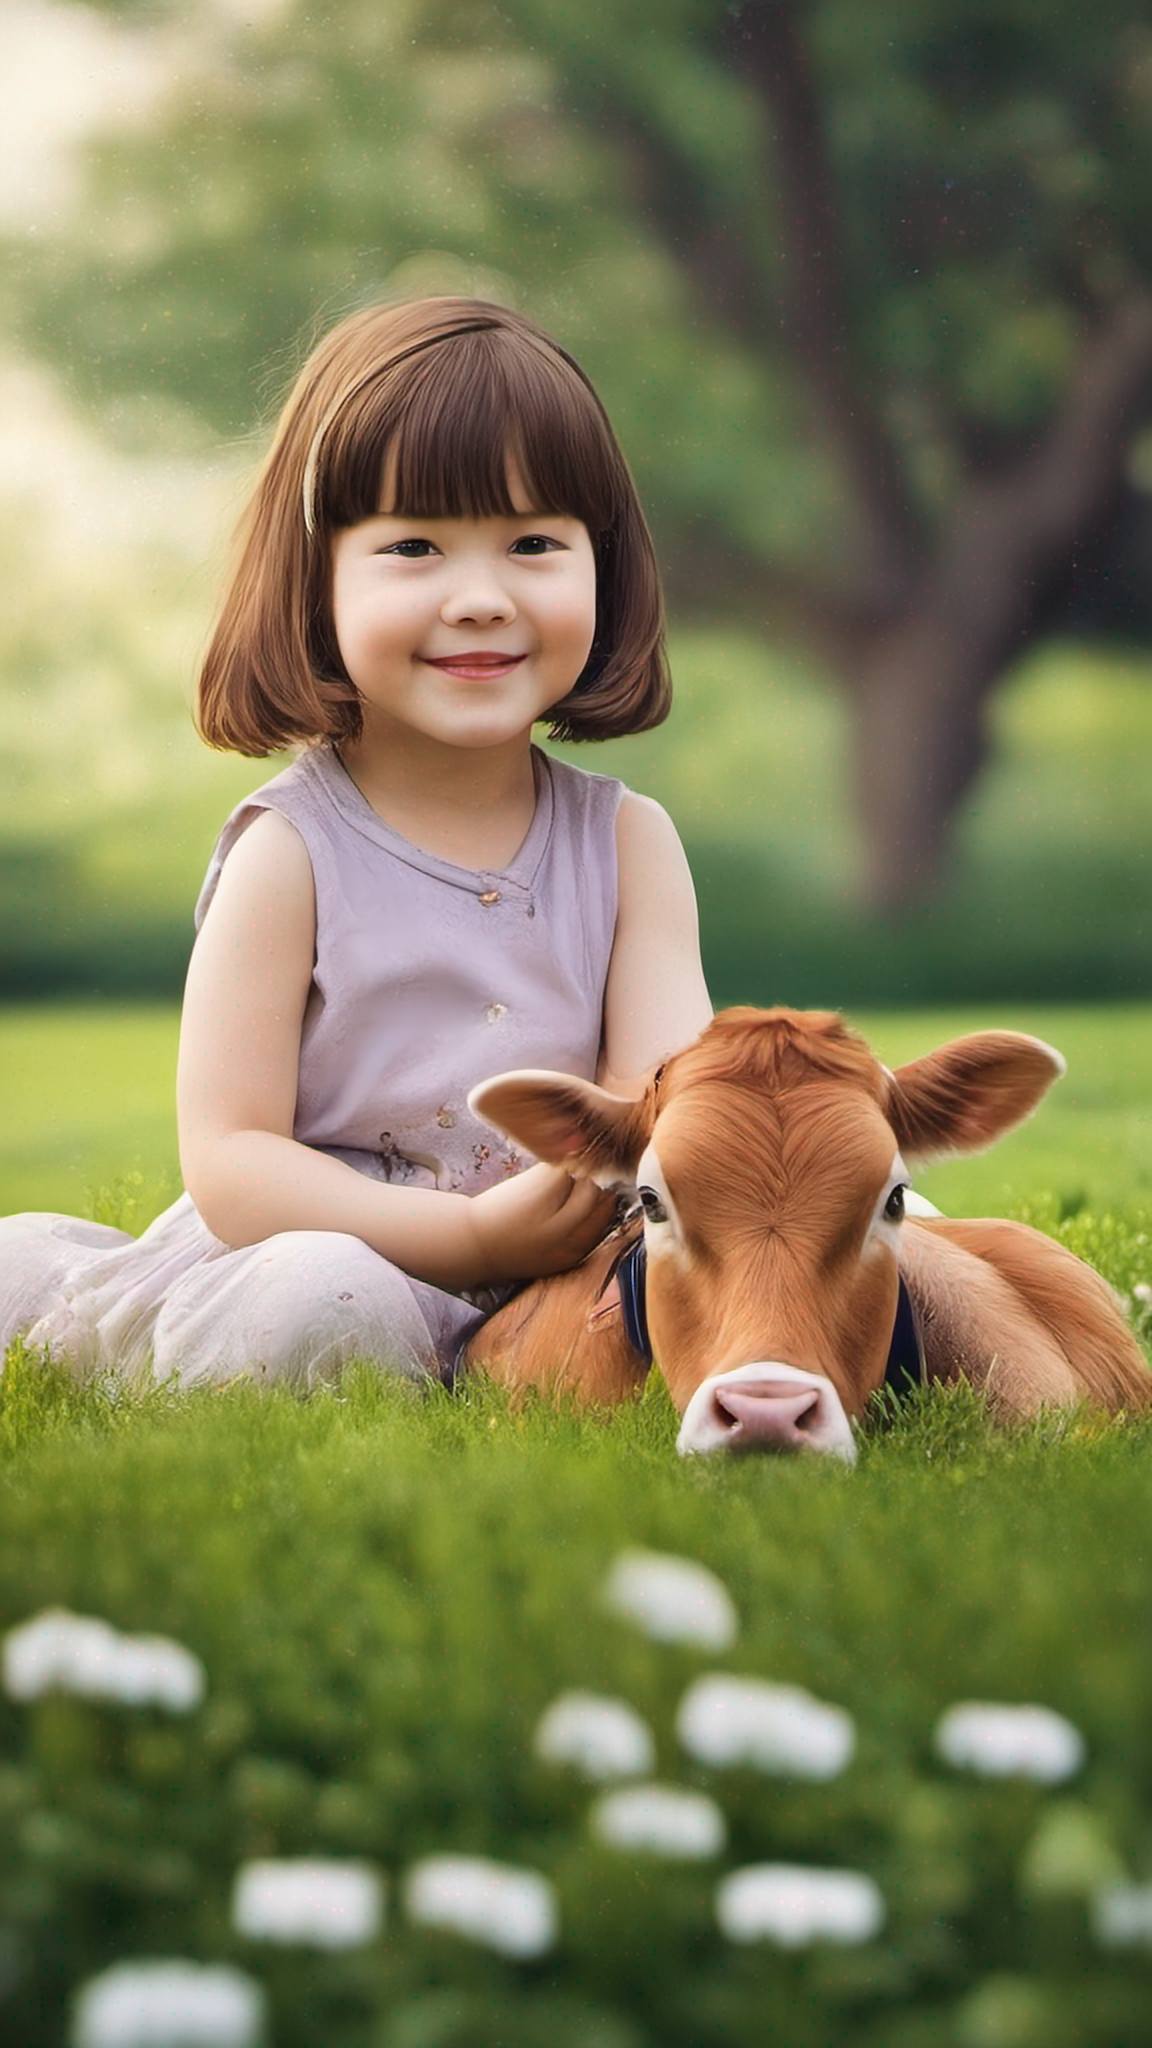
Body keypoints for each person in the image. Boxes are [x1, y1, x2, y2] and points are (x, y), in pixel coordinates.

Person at [0, 298, 712, 1390]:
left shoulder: (628, 842)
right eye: (414, 546)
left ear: (603, 565)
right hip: (321, 1248)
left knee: (839, 1235)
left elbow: (664, 1104)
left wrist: (599, 1204)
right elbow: (235, 1161)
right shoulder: (292, 851)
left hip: (565, 1262)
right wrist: (473, 1243)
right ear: (317, 576)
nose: (480, 598)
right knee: (325, 1306)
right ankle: (77, 1313)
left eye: (533, 542)